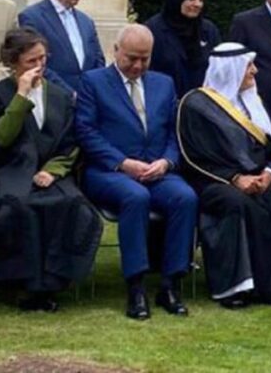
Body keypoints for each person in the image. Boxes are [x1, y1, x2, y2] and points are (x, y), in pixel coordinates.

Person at [76, 24, 198, 320]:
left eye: (145, 59)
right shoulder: (93, 82)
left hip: (156, 170)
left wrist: (166, 162)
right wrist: (122, 163)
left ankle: (171, 283)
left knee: (185, 198)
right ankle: (136, 285)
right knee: (135, 197)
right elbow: (86, 131)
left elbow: (174, 132)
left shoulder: (163, 83)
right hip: (109, 171)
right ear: (116, 51)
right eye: (131, 58)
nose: (138, 66)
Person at [0, 28, 102, 312]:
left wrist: (53, 170)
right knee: (19, 206)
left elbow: (71, 143)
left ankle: (53, 281)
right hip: (12, 170)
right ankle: (23, 284)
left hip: (51, 172)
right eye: (31, 61)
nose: (39, 66)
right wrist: (21, 96)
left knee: (72, 204)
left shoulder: (60, 96)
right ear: (13, 62)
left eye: (43, 59)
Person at [177, 43, 271, 308]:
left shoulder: (253, 101)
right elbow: (194, 157)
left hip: (260, 176)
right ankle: (234, 287)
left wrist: (269, 174)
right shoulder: (196, 105)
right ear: (230, 70)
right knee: (238, 204)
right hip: (215, 180)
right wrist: (235, 178)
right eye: (249, 65)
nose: (255, 71)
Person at [18, 0, 106, 94]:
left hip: (87, 100)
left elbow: (98, 61)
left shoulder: (86, 22)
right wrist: (67, 94)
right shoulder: (32, 17)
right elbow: (35, 64)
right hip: (53, 99)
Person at [146, 0, 222, 95]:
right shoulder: (153, 30)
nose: (198, 4)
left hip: (202, 103)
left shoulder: (208, 31)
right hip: (165, 101)